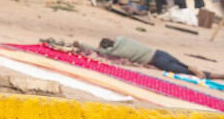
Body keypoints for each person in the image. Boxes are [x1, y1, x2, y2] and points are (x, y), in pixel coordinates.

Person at [79, 36, 223, 80]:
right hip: (159, 53)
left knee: (185, 72)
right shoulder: (123, 40)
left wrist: (81, 44)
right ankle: (198, 69)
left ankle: (216, 75)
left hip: (156, 60)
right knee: (183, 65)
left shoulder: (117, 50)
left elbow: (97, 51)